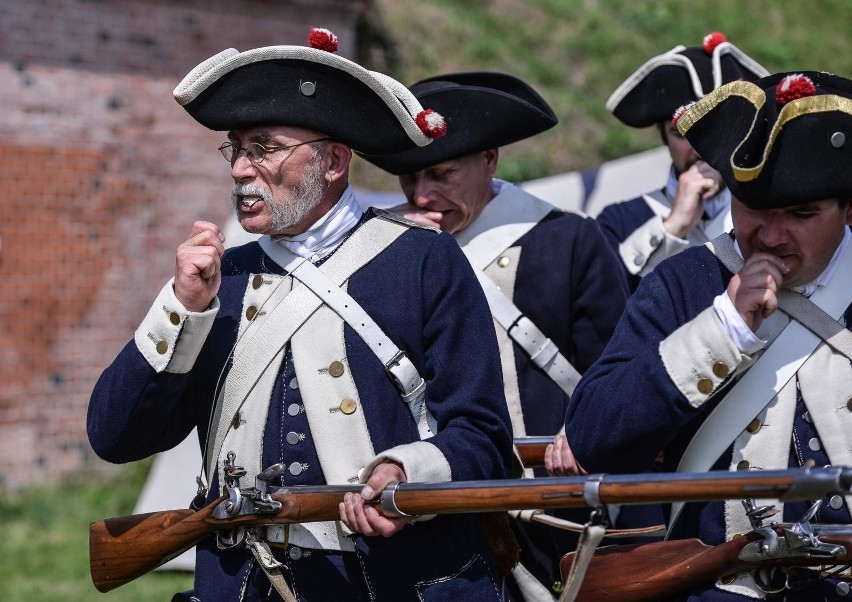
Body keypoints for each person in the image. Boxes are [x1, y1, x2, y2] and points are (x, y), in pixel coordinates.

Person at [87, 29, 515, 601]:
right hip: (245, 585)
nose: (240, 169)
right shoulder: (218, 281)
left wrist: (407, 471)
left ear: (333, 161)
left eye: (263, 148)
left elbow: (483, 435)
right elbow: (115, 435)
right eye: (235, 148)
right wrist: (182, 308)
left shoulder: (423, 261)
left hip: (393, 580)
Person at [553, 71, 852, 601]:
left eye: (802, 214)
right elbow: (594, 435)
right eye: (755, 209)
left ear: (848, 209)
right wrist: (725, 328)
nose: (773, 236)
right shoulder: (687, 281)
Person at [362, 72, 629, 601]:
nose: (421, 194)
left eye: (440, 174)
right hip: (433, 501)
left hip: (552, 505)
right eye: (409, 178)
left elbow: (615, 370)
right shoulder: (384, 248)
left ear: (490, 159)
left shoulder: (569, 241)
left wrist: (586, 434)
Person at [596, 32, 768, 291]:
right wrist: (673, 228)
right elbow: (606, 308)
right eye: (682, 133)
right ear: (663, 137)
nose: (701, 149)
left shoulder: (774, 216)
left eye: (716, 130)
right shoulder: (618, 222)